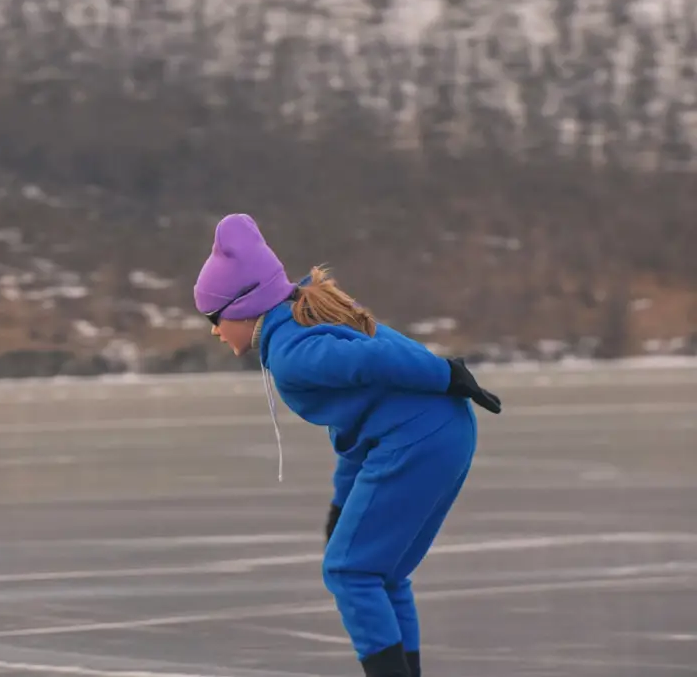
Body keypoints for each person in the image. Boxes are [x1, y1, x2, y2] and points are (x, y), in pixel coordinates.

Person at [192, 213, 501, 677]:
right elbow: (354, 426)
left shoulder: (293, 356)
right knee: (385, 574)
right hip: (443, 432)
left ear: (243, 306)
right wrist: (342, 502)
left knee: (349, 572)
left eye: (214, 319)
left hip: (420, 438)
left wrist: (446, 374)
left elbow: (373, 355)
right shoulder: (301, 317)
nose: (215, 331)